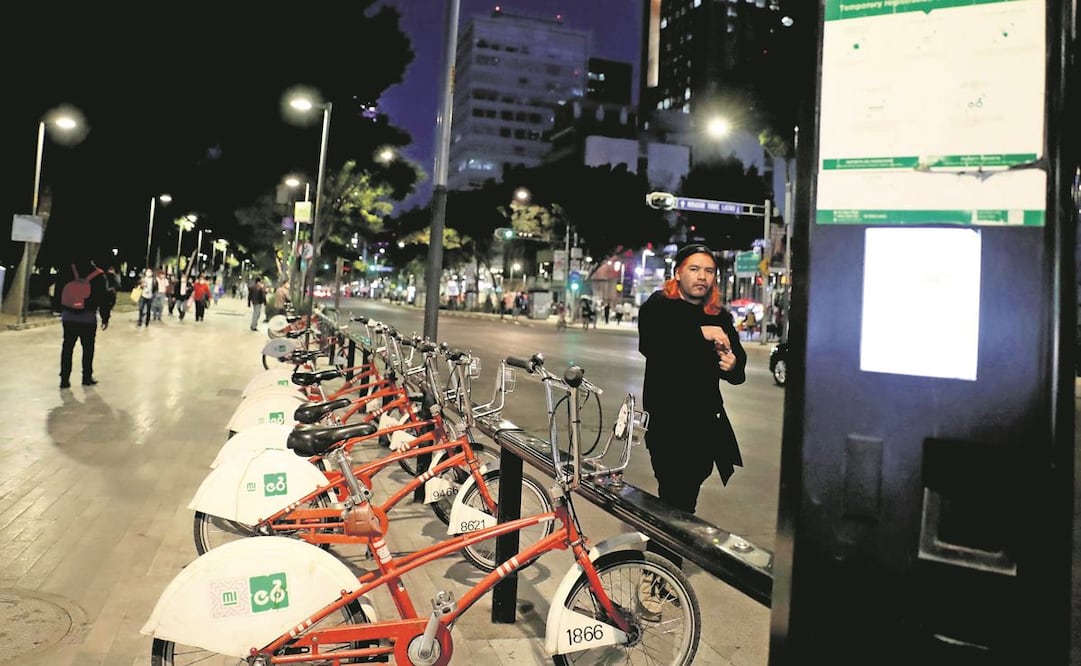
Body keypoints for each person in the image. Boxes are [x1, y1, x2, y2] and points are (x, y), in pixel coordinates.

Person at [637, 243, 746, 568]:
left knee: (682, 503)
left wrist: (732, 364)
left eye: (709, 271)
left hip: (704, 426)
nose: (702, 276)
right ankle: (661, 575)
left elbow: (737, 366)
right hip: (669, 424)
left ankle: (663, 572)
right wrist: (701, 333)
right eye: (694, 269)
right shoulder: (659, 306)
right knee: (675, 500)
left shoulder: (719, 315)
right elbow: (654, 345)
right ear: (678, 273)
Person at [58, 259, 113, 388]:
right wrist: (105, 317)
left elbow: (59, 291)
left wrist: (60, 309)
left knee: (67, 347)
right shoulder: (98, 276)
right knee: (88, 349)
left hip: (68, 317)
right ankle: (86, 377)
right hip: (87, 318)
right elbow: (103, 298)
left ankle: (64, 379)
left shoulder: (68, 270)